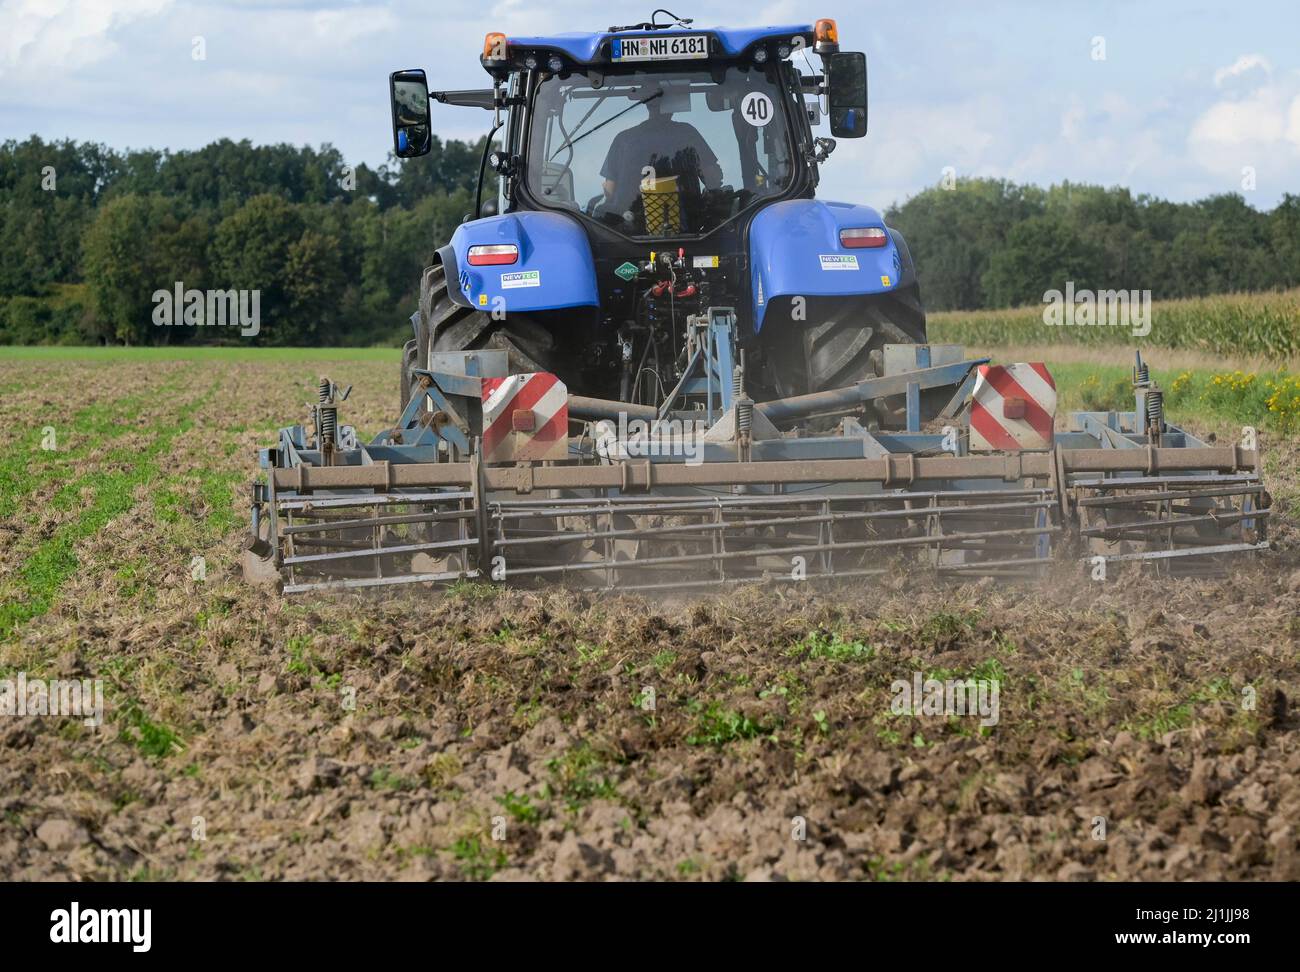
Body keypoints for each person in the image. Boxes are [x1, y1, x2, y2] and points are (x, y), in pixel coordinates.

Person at [598, 82, 723, 220]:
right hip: (689, 228)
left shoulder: (623, 139)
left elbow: (610, 190)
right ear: (672, 105)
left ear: (646, 103)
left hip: (629, 228)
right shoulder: (688, 134)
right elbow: (712, 177)